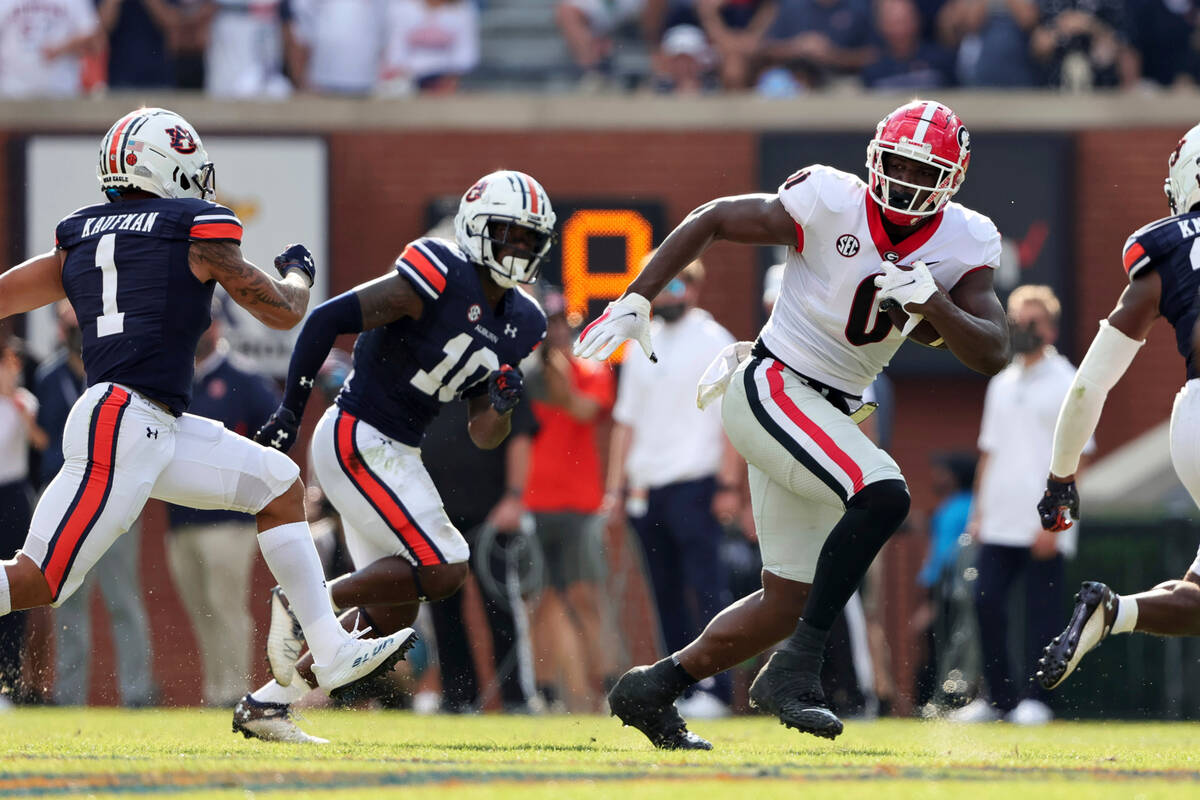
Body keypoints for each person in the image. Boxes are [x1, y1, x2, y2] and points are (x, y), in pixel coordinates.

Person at [576, 98, 1009, 747]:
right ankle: (795, 670)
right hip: (773, 384)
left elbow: (993, 351)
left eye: (926, 172)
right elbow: (714, 217)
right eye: (898, 166)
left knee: (785, 600)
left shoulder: (965, 241)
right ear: (875, 160)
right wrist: (637, 294)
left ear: (953, 178)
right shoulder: (830, 199)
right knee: (884, 492)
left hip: (827, 409)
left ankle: (652, 687)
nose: (909, 183)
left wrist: (936, 304)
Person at [0, 106, 409, 718]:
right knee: (38, 581)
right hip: (125, 420)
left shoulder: (78, 236)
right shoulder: (192, 224)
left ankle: (327, 645)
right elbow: (283, 311)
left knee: (278, 483)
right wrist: (297, 271)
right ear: (164, 164)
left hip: (147, 422)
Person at [235, 169, 554, 741]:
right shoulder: (437, 270)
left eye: (532, 239)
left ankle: (268, 704)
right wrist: (289, 411)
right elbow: (328, 318)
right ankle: (303, 598)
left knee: (395, 614)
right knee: (447, 565)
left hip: (397, 449)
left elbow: (485, 432)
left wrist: (501, 406)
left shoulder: (524, 321)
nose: (522, 249)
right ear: (479, 230)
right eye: (511, 234)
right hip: (359, 432)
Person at [1036, 122, 1200, 693]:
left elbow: (1088, 386)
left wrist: (1061, 476)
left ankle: (1114, 612)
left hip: (1192, 422)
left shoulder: (1166, 253)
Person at [606, 259, 741, 718]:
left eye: (676, 284)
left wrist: (728, 484)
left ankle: (717, 689)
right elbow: (624, 424)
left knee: (706, 588)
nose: (666, 295)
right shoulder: (638, 345)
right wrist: (615, 489)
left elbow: (732, 422)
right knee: (663, 592)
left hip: (697, 484)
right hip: (647, 489)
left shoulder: (715, 341)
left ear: (696, 288)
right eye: (661, 286)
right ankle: (679, 687)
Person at [948, 284, 1087, 725]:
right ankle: (999, 699)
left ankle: (1037, 700)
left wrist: (1058, 522)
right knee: (986, 601)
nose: (1023, 330)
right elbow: (988, 452)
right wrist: (978, 512)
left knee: (1042, 612)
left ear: (1050, 327)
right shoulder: (1002, 382)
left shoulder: (1069, 381)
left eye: (1032, 322)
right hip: (1000, 519)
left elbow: (1081, 453)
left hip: (1046, 520)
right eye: (1017, 320)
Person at [37, 302, 155, 708]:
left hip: (114, 497)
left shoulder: (115, 374)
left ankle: (136, 694)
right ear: (59, 325)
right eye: (66, 316)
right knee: (66, 602)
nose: (74, 323)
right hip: (64, 505)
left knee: (124, 598)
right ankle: (69, 696)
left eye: (78, 314)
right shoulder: (48, 378)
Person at [165, 313, 282, 707]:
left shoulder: (244, 378)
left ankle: (235, 692)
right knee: (201, 610)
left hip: (229, 519)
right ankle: (215, 691)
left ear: (217, 327)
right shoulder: (172, 376)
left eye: (205, 322)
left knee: (226, 606)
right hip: (180, 520)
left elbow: (277, 437)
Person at [525, 288, 621, 712]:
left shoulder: (592, 368)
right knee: (540, 601)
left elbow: (582, 409)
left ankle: (608, 688)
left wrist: (556, 367)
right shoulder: (523, 372)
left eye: (560, 322)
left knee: (585, 597)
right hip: (534, 501)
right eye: (548, 324)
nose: (556, 331)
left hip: (581, 505)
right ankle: (544, 694)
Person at [0, 338, 46, 709]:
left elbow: (41, 442)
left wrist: (20, 407)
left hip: (13, 500)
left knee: (12, 597)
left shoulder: (24, 402)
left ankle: (8, 687)